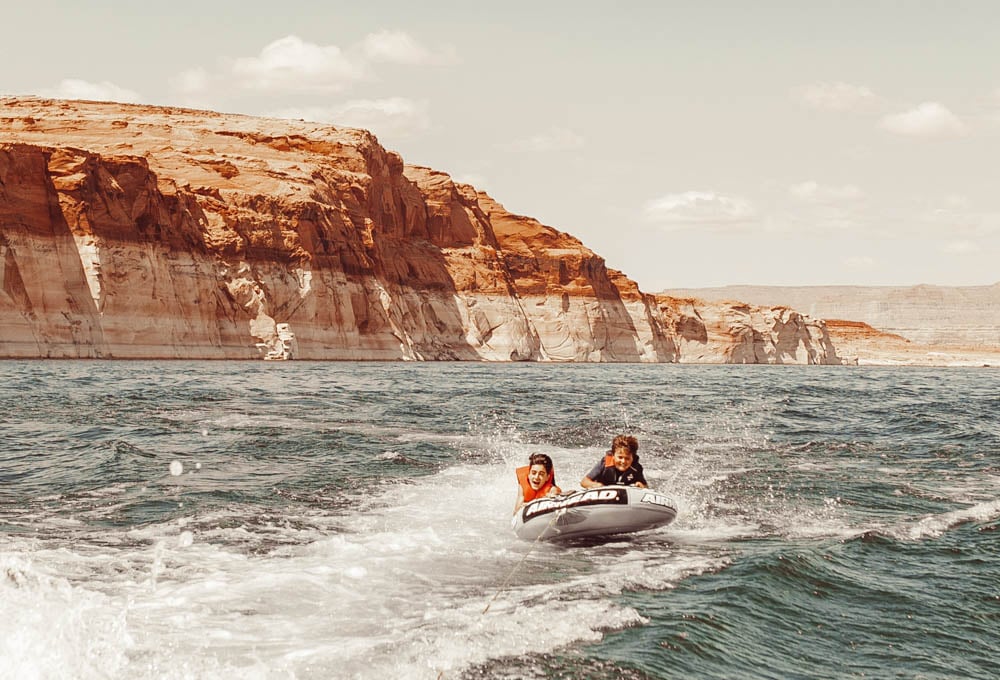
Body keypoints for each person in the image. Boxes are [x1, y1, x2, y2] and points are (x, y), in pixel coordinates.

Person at [580, 435, 647, 489]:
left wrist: (641, 486)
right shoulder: (604, 464)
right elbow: (584, 482)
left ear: (633, 458)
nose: (623, 461)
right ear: (613, 455)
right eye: (620, 457)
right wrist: (595, 485)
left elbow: (645, 485)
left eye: (627, 458)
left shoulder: (636, 468)